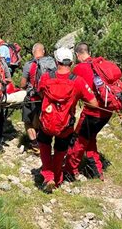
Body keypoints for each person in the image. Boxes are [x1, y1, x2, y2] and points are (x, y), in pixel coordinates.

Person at [37, 47, 98, 192]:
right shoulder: (78, 81)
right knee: (60, 151)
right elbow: (94, 104)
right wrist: (78, 98)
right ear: (71, 62)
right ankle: (57, 179)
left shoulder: (46, 77)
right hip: (65, 125)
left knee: (44, 146)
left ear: (56, 61)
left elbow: (40, 93)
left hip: (46, 121)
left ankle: (48, 176)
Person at [64, 42, 115, 181]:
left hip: (93, 113)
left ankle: (69, 171)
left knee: (79, 141)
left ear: (77, 54)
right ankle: (96, 170)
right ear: (89, 52)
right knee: (90, 138)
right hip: (108, 111)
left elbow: (71, 90)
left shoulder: (79, 68)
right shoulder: (99, 64)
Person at [20, 43, 55, 154]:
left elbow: (22, 84)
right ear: (43, 51)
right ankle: (43, 142)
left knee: (28, 121)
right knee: (41, 119)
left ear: (33, 52)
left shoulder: (29, 65)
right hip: (47, 97)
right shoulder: (51, 63)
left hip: (33, 97)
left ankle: (35, 144)